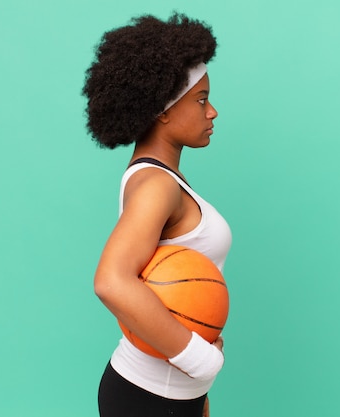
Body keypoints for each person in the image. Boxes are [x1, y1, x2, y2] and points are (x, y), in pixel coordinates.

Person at [82, 13, 233, 417]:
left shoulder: (159, 177)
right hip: (150, 398)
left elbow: (181, 295)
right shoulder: (157, 186)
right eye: (201, 100)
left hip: (173, 396)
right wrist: (202, 361)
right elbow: (111, 281)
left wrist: (199, 391)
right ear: (163, 111)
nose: (212, 112)